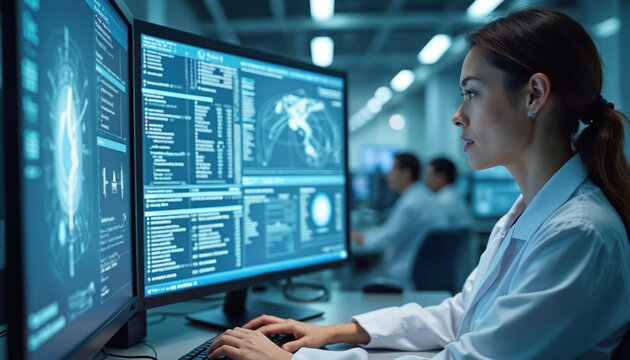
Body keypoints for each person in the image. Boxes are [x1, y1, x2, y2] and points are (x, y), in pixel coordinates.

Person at [206, 8, 630, 360]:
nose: (457, 114)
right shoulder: (528, 214)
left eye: (473, 93)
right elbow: (462, 314)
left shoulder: (579, 233)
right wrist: (341, 330)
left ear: (534, 95)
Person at [351, 152, 447, 286]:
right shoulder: (422, 196)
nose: (387, 175)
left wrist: (360, 239)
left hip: (402, 276)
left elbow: (386, 238)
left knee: (352, 282)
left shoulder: (411, 204)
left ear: (406, 173)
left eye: (392, 170)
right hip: (422, 272)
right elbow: (390, 231)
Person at [425, 157, 472, 227]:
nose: (426, 180)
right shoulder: (455, 197)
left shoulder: (442, 202)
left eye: (429, 175)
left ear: (441, 176)